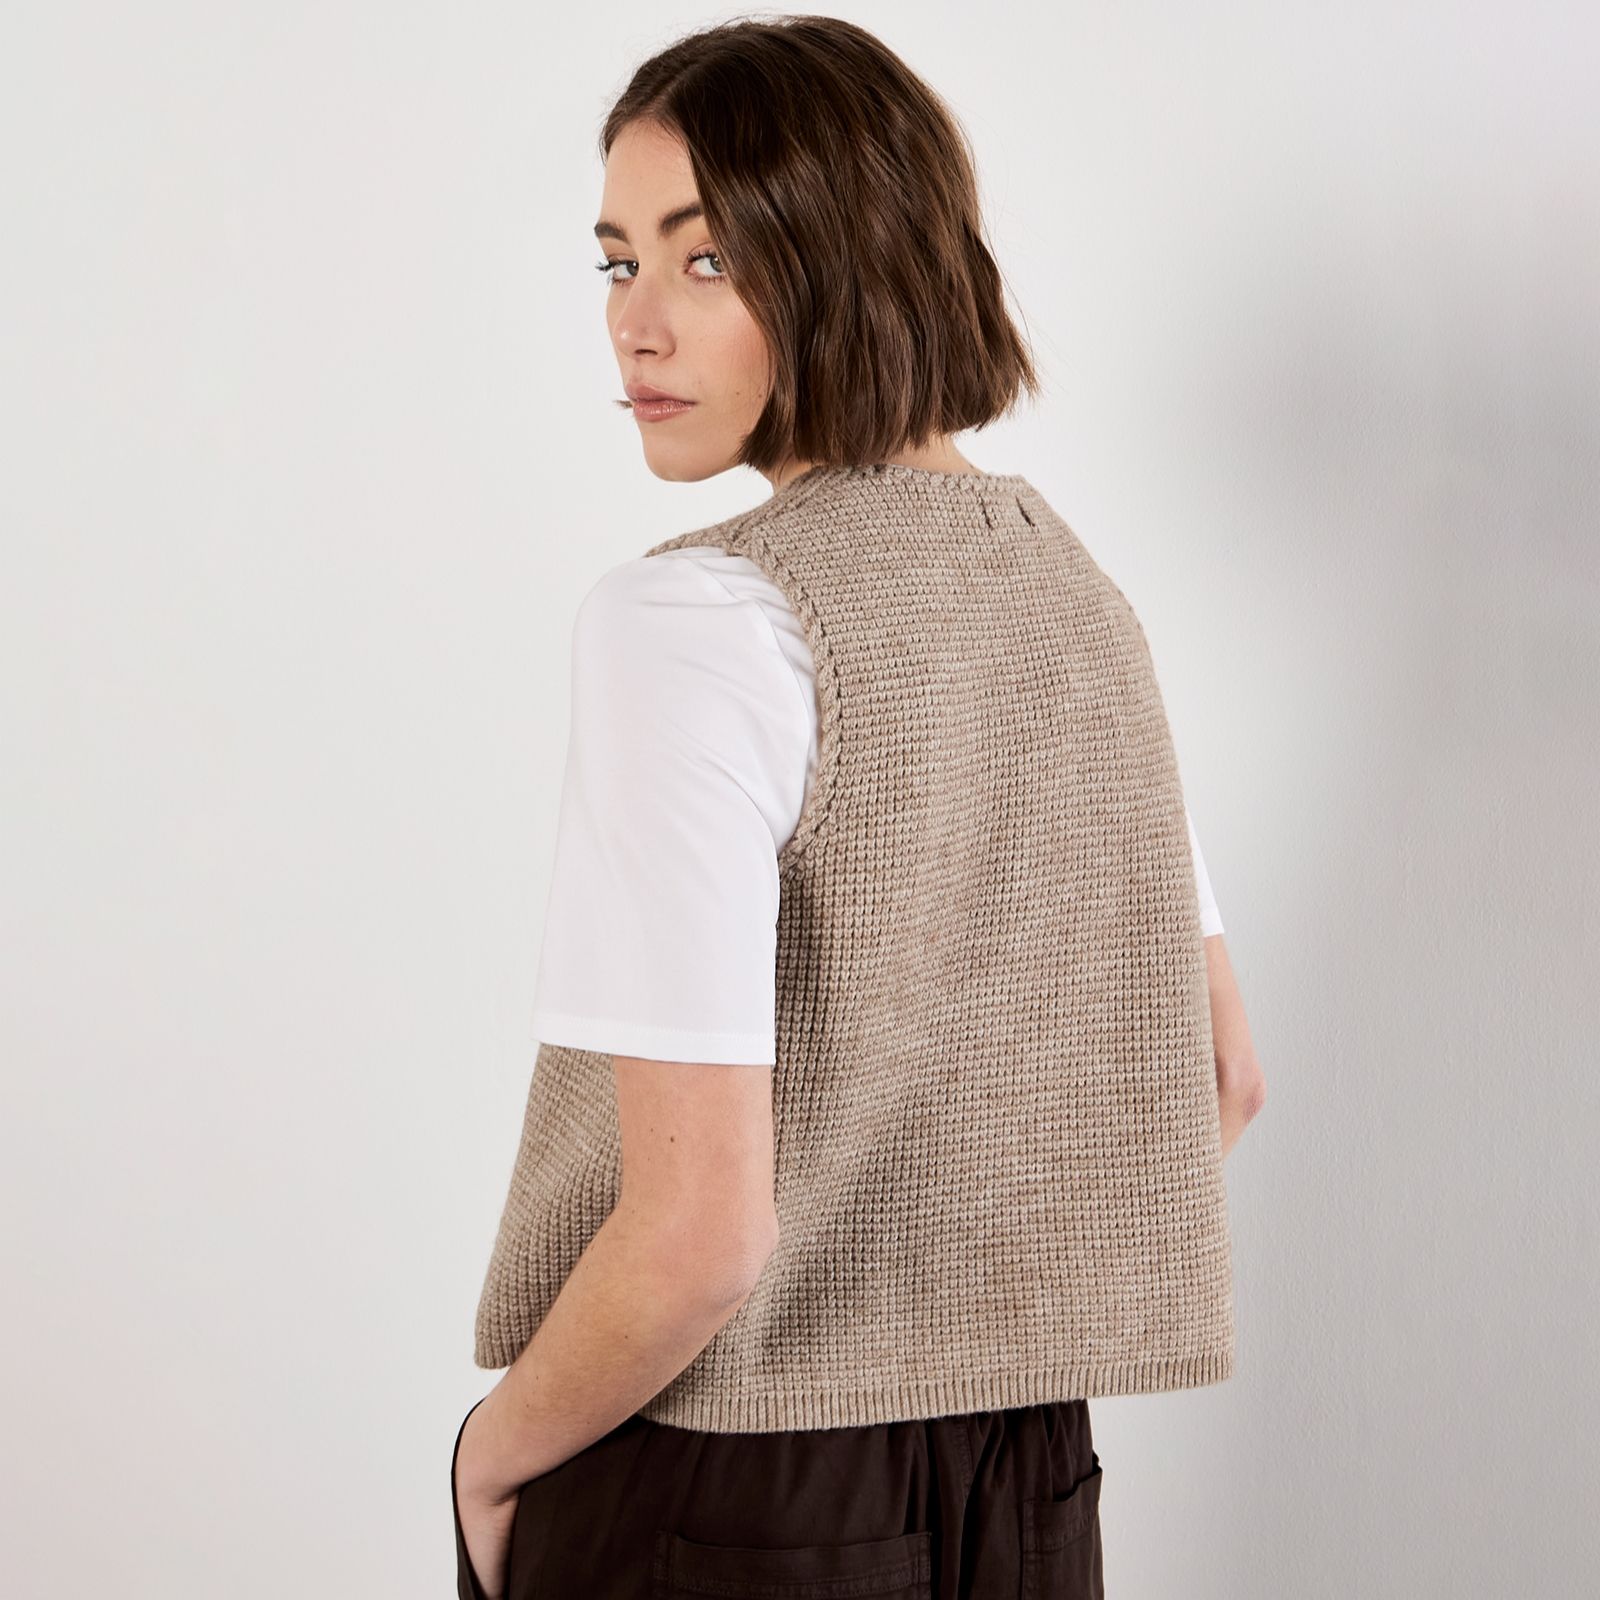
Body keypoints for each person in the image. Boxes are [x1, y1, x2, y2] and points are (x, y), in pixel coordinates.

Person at [451, 16, 1266, 1599]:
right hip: (1029, 1476)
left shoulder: (698, 621)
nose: (635, 324)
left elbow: (699, 1237)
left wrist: (493, 1459)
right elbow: (1216, 1077)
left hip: (722, 1475)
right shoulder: (1080, 606)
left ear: (845, 256)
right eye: (616, 262)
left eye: (705, 260)